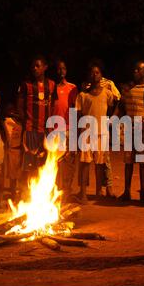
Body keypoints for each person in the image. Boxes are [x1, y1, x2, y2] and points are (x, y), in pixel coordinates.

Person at [76, 62, 119, 202]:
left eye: (97, 73)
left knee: (99, 164)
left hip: (102, 133)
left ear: (101, 75)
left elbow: (113, 107)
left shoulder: (107, 93)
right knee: (85, 164)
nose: (94, 75)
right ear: (88, 75)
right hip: (87, 133)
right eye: (92, 72)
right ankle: (83, 193)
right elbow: (78, 115)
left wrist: (110, 120)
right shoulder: (83, 95)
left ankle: (98, 193)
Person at [17, 56, 56, 187]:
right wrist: (25, 123)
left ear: (45, 67)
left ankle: (42, 192)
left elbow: (54, 106)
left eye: (38, 65)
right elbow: (20, 107)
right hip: (31, 130)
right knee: (29, 164)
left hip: (46, 131)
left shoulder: (51, 84)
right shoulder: (26, 85)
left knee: (44, 164)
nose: (35, 68)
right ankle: (26, 193)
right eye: (33, 66)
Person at [116, 61, 144, 202]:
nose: (135, 71)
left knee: (143, 162)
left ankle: (142, 192)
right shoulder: (129, 90)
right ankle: (127, 191)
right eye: (135, 69)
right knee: (128, 162)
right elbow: (122, 108)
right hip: (131, 128)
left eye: (139, 69)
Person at [52, 60, 79, 201]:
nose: (61, 71)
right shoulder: (51, 88)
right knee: (55, 162)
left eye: (63, 68)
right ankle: (56, 192)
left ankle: (67, 191)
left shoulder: (72, 88)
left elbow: (74, 109)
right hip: (55, 130)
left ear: (66, 71)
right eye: (58, 68)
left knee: (68, 163)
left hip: (68, 129)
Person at [3, 103, 23, 201]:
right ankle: (13, 194)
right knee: (12, 175)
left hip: (20, 150)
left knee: (19, 174)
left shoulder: (20, 123)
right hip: (12, 150)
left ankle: (19, 194)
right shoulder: (7, 122)